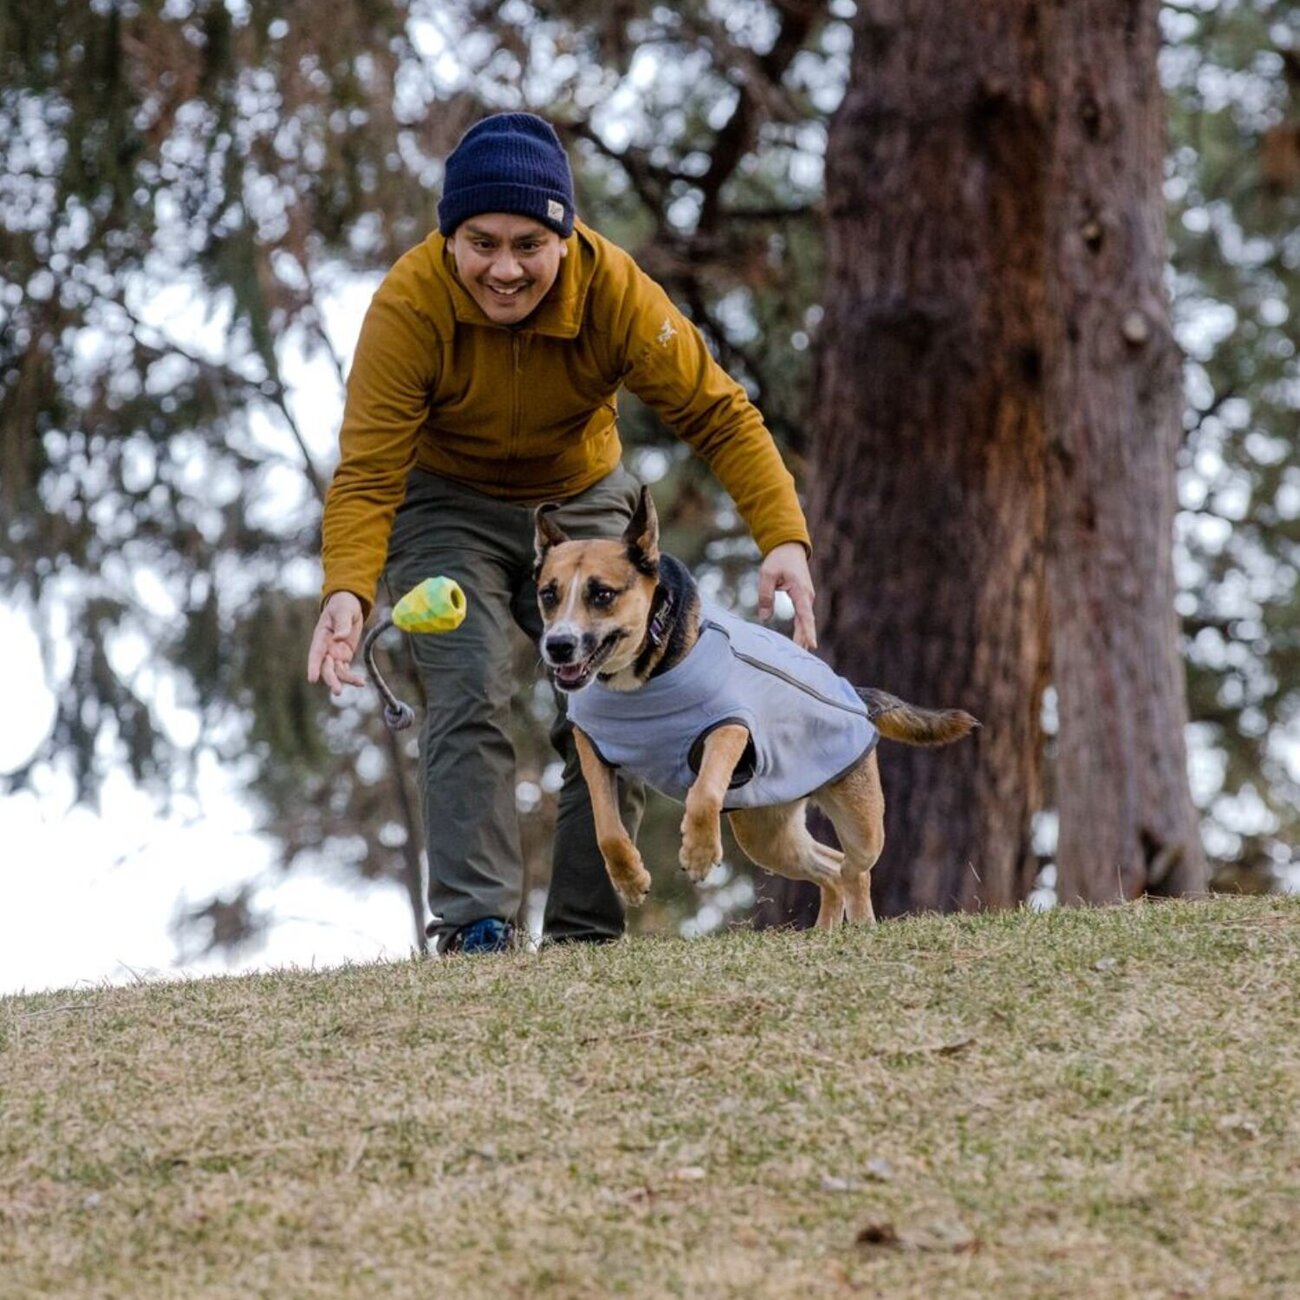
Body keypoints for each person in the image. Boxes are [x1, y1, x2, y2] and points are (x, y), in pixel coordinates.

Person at [306, 112, 816, 954]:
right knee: (467, 685)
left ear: (565, 237)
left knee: (611, 693)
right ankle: (476, 926)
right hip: (448, 506)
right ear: (450, 238)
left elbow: (718, 413)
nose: (504, 269)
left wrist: (783, 536)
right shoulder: (409, 305)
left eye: (528, 246)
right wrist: (348, 590)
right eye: (481, 244)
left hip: (580, 495)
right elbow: (367, 471)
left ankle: (585, 933)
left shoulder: (612, 292)